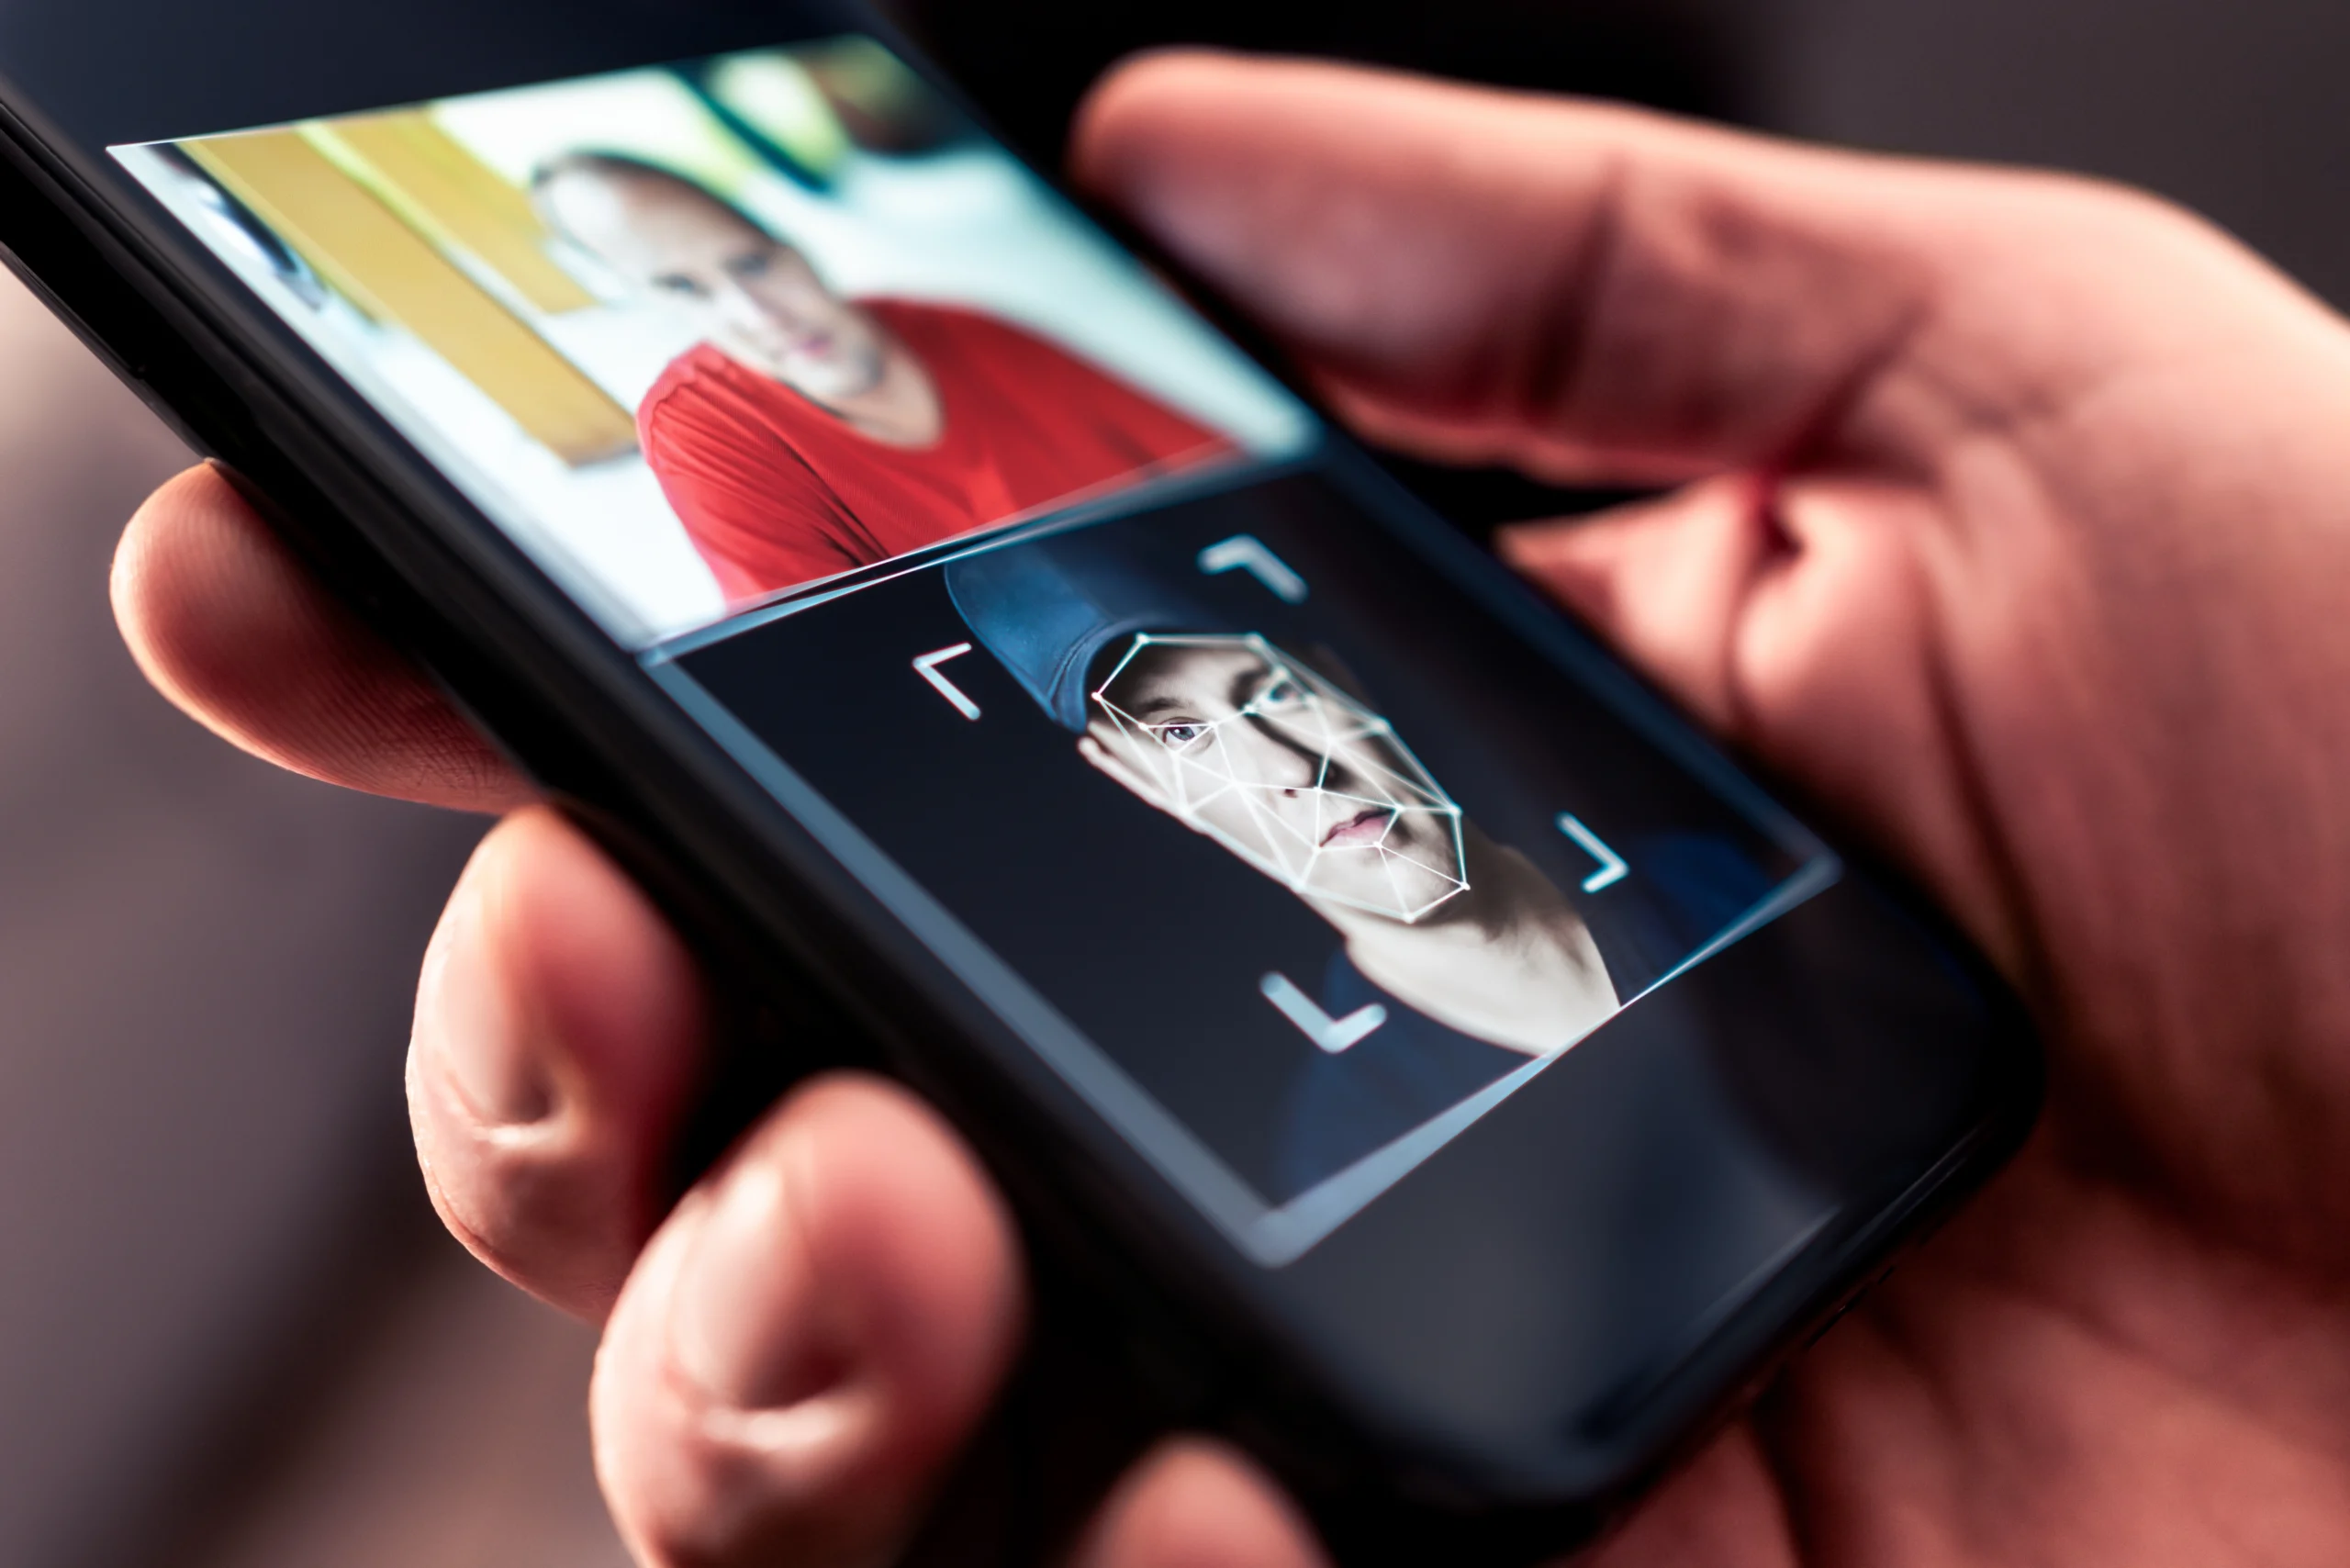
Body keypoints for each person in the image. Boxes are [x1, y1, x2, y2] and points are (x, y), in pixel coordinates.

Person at [109, 50, 2350, 1568]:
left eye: (1286, 694)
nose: (740, 295)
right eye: (1194, 741)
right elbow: (854, 666)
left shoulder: (1690, 877)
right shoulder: (729, 435)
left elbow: (1150, 484)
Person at [946, 527, 1780, 1195]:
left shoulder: (1729, 878)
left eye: (1270, 693)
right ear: (1152, 794)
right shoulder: (1359, 1151)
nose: (1286, 769)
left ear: (1341, 681)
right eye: (1185, 736)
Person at [531, 152, 1233, 605]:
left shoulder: (964, 329)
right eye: (685, 289)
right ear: (648, 302)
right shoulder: (698, 428)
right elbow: (837, 667)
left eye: (751, 264)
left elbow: (1228, 485)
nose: (757, 315)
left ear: (790, 242)